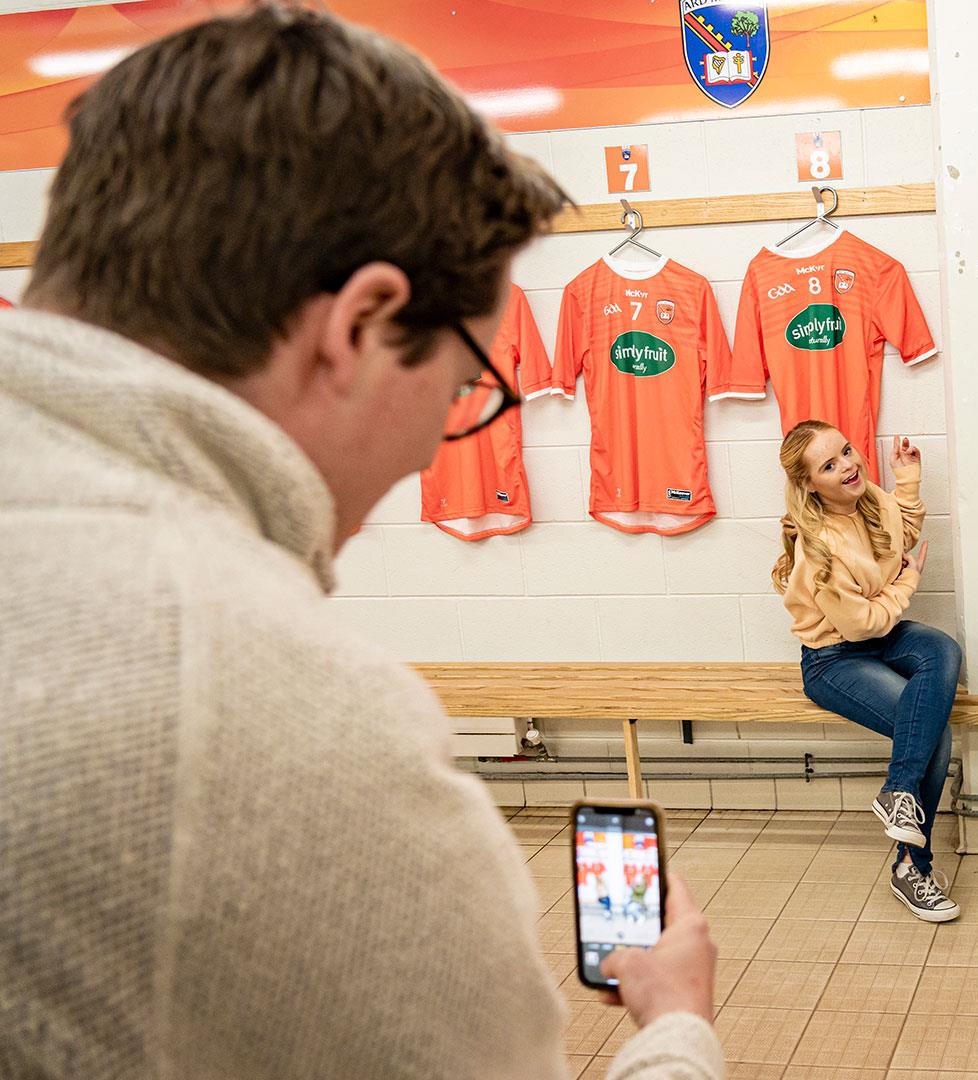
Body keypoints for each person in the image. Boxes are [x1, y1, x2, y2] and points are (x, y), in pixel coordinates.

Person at [0, 7, 721, 1078]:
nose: (440, 443)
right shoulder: (278, 709)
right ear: (362, 325)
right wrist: (676, 1030)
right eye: (464, 385)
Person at [772, 420, 963, 922]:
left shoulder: (869, 499)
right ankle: (911, 868)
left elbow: (899, 532)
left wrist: (908, 481)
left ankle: (898, 793)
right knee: (933, 734)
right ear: (810, 483)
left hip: (879, 636)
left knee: (942, 648)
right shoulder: (818, 551)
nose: (849, 466)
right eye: (830, 465)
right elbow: (859, 627)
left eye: (848, 452)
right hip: (835, 657)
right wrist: (908, 583)